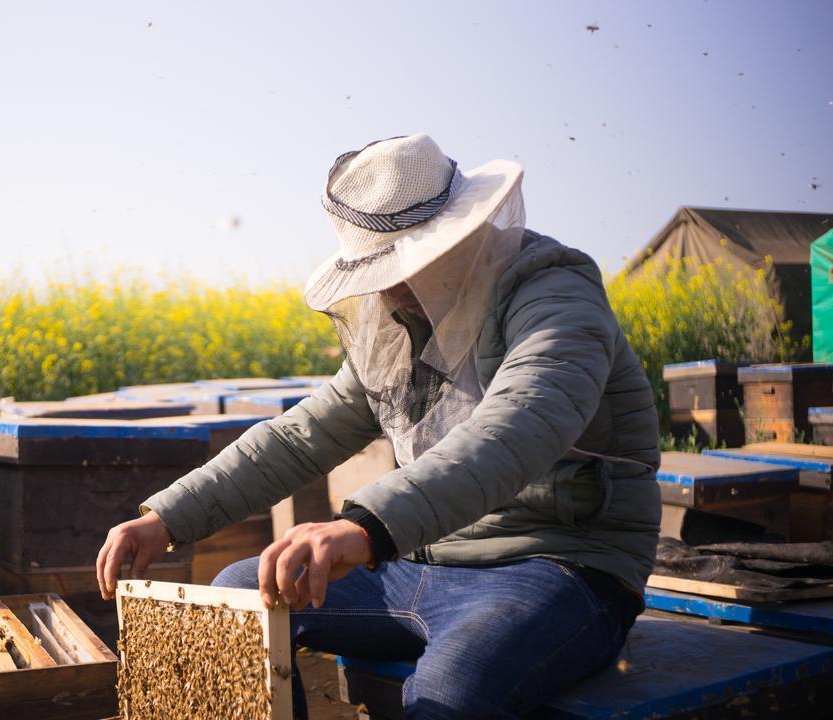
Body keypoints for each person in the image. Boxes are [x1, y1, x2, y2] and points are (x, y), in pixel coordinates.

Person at [95, 134, 660, 719]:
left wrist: (366, 526)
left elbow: (521, 422)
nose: (390, 285)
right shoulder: (399, 322)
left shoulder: (555, 291)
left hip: (558, 564)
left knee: (451, 692)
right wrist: (167, 517)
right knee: (235, 601)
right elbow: (301, 435)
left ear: (462, 235)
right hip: (418, 559)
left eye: (405, 262)